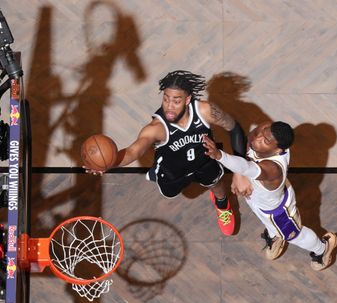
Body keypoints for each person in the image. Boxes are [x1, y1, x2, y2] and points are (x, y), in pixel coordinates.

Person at [85, 70, 246, 235]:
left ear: (188, 99)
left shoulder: (205, 111)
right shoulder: (156, 128)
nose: (169, 106)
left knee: (217, 184)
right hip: (173, 170)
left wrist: (241, 171)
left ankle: (222, 204)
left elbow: (234, 128)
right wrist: (109, 163)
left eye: (176, 101)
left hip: (204, 160)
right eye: (166, 99)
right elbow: (134, 151)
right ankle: (157, 170)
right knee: (172, 192)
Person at [201, 121, 337, 270]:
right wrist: (239, 175)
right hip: (259, 198)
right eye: (262, 131)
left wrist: (219, 155)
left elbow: (246, 167)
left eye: (265, 141)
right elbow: (249, 138)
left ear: (278, 150)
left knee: (295, 236)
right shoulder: (267, 131)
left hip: (277, 212)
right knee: (266, 220)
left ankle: (322, 249)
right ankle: (275, 234)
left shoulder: (273, 169)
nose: (258, 138)